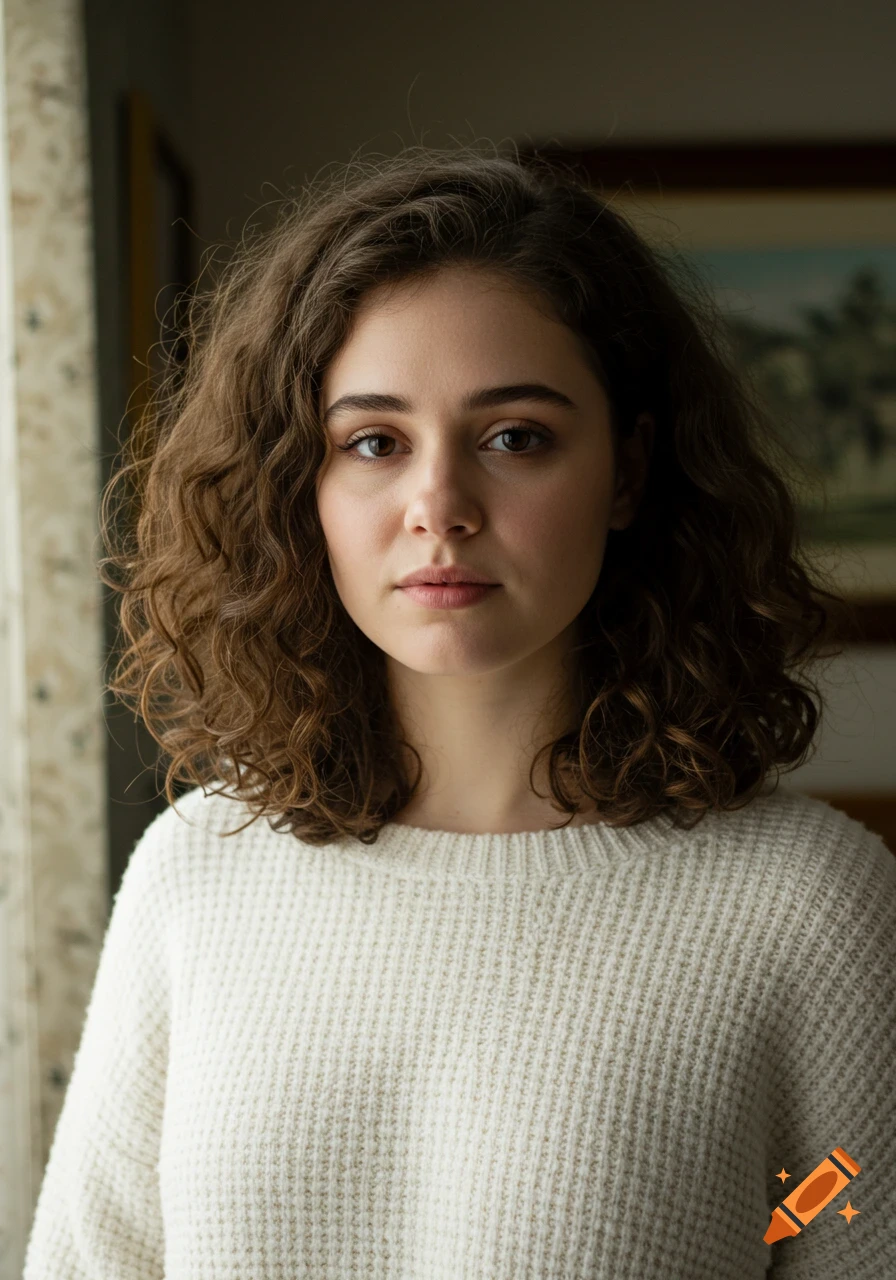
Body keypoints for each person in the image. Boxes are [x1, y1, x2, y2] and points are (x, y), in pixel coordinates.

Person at [24, 143, 896, 1278]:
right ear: (301, 485)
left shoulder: (803, 907)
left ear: (628, 472)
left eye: (514, 437)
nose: (438, 506)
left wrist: (754, 1226)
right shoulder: (195, 876)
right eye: (373, 443)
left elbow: (835, 1218)